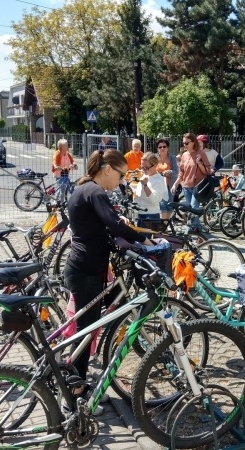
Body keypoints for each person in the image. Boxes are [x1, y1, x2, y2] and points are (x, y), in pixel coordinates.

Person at [65, 149, 153, 393]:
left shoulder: (85, 188)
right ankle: (75, 392)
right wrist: (145, 242)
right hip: (86, 270)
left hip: (85, 266)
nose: (122, 181)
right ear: (107, 170)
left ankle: (79, 382)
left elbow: (103, 225)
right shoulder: (95, 191)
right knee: (86, 332)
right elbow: (113, 223)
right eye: (121, 175)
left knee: (90, 326)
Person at [171, 132, 210, 228]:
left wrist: (199, 163)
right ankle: (197, 231)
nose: (185, 145)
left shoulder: (201, 153)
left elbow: (207, 171)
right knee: (191, 210)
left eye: (186, 143)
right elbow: (181, 173)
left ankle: (195, 230)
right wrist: (175, 184)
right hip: (186, 187)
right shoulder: (184, 155)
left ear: (193, 142)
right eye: (183, 143)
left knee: (193, 208)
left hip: (197, 187)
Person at [132, 152, 167, 225]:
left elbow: (154, 200)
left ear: (154, 165)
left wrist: (145, 185)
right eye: (142, 167)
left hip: (151, 215)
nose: (144, 170)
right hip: (140, 213)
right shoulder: (144, 175)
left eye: (146, 168)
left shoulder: (159, 180)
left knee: (147, 236)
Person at [154, 138, 178, 220]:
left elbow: (176, 171)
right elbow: (151, 171)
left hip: (170, 185)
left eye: (164, 146)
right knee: (162, 205)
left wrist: (170, 172)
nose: (162, 148)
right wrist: (160, 174)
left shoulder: (172, 158)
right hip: (159, 186)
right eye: (160, 147)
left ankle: (165, 224)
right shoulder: (154, 158)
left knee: (169, 205)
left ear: (167, 148)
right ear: (157, 148)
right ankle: (163, 225)